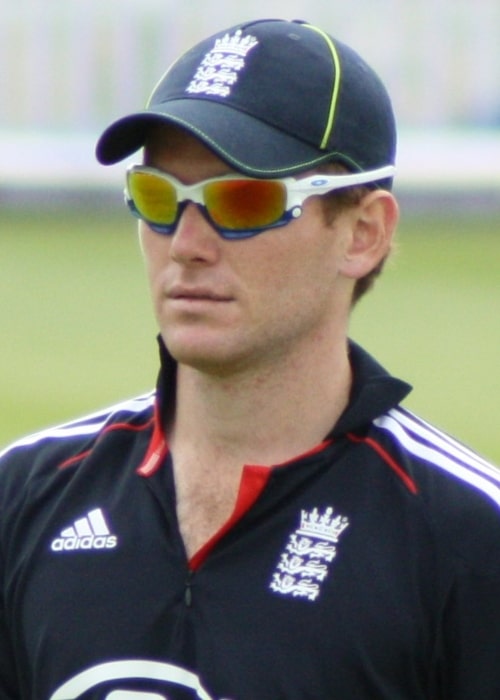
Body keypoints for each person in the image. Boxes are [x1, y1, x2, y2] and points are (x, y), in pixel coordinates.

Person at [1, 18, 499, 700]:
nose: (187, 244)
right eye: (159, 199)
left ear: (363, 233)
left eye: (243, 201)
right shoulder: (25, 494)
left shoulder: (469, 539)